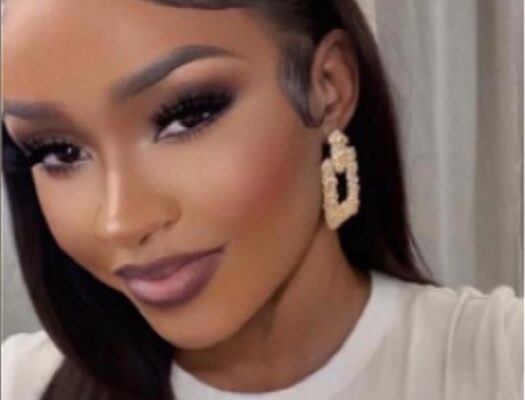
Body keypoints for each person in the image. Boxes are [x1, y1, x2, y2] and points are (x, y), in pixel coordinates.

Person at [1, 1, 522, 399]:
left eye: (188, 115)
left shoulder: (503, 364)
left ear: (329, 87)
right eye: (58, 151)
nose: (121, 220)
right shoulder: (20, 383)